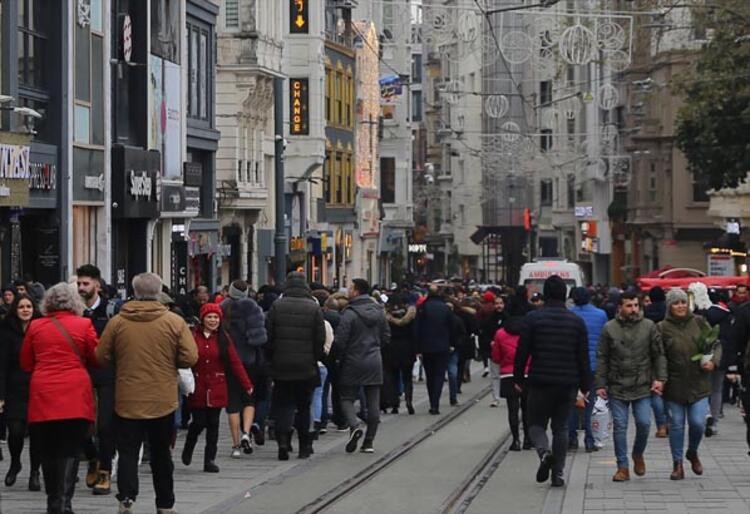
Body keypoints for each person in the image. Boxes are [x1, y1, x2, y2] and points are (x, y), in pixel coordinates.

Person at [96, 273, 198, 514]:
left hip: (127, 396)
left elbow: (101, 356)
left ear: (135, 291)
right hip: (162, 398)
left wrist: (122, 363)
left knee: (128, 451)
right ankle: (165, 503)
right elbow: (190, 357)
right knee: (161, 453)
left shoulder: (118, 322)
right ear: (158, 292)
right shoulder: (173, 322)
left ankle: (127, 497)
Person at [20, 283, 99, 513]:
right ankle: (64, 502)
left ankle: (52, 500)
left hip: (43, 393)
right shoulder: (84, 324)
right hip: (75, 393)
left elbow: (26, 362)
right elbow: (95, 357)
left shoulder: (35, 326)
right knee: (70, 449)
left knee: (48, 450)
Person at [513, 275, 590, 488]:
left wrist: (518, 378)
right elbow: (582, 356)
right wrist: (585, 386)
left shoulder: (533, 319)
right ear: (565, 295)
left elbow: (522, 352)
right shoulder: (576, 321)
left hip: (540, 381)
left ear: (545, 294)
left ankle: (544, 453)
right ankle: (558, 474)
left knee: (535, 424)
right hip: (568, 382)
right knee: (561, 427)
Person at [595, 292, 667, 482]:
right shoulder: (609, 328)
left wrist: (660, 378)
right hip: (617, 385)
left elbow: (658, 354)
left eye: (636, 305)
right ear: (620, 307)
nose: (633, 309)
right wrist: (600, 384)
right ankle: (622, 467)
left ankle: (637, 454)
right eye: (629, 306)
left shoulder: (649, 327)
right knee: (620, 426)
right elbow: (602, 357)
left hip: (642, 385)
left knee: (644, 423)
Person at [182, 303, 253, 473]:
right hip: (197, 386)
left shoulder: (223, 338)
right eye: (209, 317)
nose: (213, 320)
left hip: (217, 386)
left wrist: (246, 384)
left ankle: (209, 460)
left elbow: (235, 362)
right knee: (199, 422)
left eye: (215, 317)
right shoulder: (192, 336)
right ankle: (189, 445)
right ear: (203, 318)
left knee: (213, 424)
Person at [659, 288, 721, 480]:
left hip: (699, 383)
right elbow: (658, 356)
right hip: (674, 386)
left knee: (697, 423)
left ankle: (692, 451)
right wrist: (660, 379)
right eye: (676, 303)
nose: (680, 306)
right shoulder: (661, 328)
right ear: (669, 306)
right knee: (676, 424)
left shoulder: (699, 322)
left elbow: (715, 344)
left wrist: (713, 361)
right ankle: (677, 464)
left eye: (683, 302)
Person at [265, 272, 326, 460]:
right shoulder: (314, 307)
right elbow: (320, 338)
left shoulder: (276, 306)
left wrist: (273, 357)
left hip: (281, 366)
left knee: (284, 406)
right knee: (304, 406)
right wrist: (314, 357)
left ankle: (283, 442)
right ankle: (304, 446)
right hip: (306, 367)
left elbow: (269, 335)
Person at [334, 279, 390, 453]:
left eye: (350, 288)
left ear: (356, 292)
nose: (347, 291)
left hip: (352, 361)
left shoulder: (349, 314)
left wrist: (337, 357)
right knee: (373, 402)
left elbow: (340, 341)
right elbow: (386, 336)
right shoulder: (380, 312)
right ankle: (369, 442)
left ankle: (355, 425)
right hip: (374, 361)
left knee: (346, 397)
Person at [76, 264, 116, 495]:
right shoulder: (73, 310)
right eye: (79, 283)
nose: (81, 288)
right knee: (80, 424)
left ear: (97, 285)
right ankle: (92, 457)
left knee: (106, 426)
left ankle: (105, 472)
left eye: (86, 283)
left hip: (107, 373)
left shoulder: (111, 311)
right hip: (80, 373)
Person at [220, 279, 267, 458]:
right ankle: (247, 432)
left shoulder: (222, 307)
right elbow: (259, 338)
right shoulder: (252, 307)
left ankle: (235, 443)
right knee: (249, 399)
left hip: (228, 362)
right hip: (249, 360)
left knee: (232, 402)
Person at [0, 293, 42, 491]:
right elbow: (2, 365)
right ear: (15, 310)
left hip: (38, 387)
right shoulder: (6, 331)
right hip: (14, 388)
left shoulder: (41, 328)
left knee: (37, 433)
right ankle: (15, 462)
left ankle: (35, 472)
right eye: (21, 307)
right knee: (15, 430)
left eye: (29, 307)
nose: (25, 310)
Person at [568, 287, 608, 452]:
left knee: (571, 403)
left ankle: (571, 439)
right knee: (590, 404)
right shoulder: (601, 315)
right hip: (594, 364)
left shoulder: (569, 314)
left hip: (572, 365)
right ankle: (590, 440)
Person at [492, 311, 530, 451]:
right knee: (527, 409)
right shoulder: (528, 331)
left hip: (508, 375)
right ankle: (528, 439)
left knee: (512, 409)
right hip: (527, 374)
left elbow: (496, 357)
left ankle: (515, 440)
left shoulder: (500, 333)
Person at [415, 285, 453, 415]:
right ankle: (435, 403)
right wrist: (451, 343)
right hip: (442, 347)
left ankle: (432, 401)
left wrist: (418, 347)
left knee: (430, 375)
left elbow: (417, 328)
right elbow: (452, 326)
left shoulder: (423, 308)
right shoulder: (445, 308)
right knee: (439, 375)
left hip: (427, 347)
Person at [704, 288, 734, 437]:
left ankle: (705, 414)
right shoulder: (728, 315)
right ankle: (714, 422)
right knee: (717, 390)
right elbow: (730, 339)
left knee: (702, 388)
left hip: (703, 355)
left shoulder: (702, 313)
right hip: (720, 356)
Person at [385, 294, 417, 414]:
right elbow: (414, 334)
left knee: (393, 378)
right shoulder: (410, 316)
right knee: (407, 378)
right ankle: (409, 400)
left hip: (391, 349)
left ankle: (394, 404)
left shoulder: (387, 316)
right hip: (407, 349)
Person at [485, 296, 507, 407]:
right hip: (494, 351)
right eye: (497, 303)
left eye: (501, 303)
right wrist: (490, 342)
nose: (499, 306)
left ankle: (508, 396)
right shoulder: (489, 319)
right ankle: (496, 398)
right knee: (495, 375)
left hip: (507, 351)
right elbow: (485, 334)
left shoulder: (508, 318)